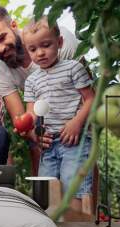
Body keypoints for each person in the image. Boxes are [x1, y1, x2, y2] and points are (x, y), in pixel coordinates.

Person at [0, 6, 79, 174]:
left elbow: (79, 93)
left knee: (78, 147)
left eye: (2, 38)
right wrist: (33, 134)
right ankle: (43, 197)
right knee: (36, 141)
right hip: (40, 105)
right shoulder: (1, 70)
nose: (0, 49)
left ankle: (86, 198)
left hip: (73, 97)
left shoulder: (57, 40)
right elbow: (21, 118)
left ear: (14, 26)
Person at [22, 17, 95, 213]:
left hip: (74, 141)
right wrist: (28, 126)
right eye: (33, 49)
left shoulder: (73, 68)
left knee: (73, 189)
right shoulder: (31, 81)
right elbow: (32, 113)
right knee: (45, 194)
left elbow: (91, 99)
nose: (40, 53)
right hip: (48, 145)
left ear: (59, 43)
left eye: (46, 45)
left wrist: (76, 122)